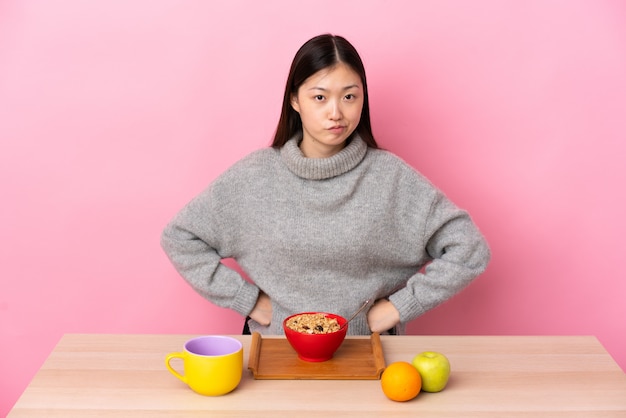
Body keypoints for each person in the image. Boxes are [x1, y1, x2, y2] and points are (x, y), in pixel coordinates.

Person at [160, 34, 490, 336]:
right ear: (295, 100)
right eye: (319, 97)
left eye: (349, 96)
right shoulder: (254, 177)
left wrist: (397, 309)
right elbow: (180, 236)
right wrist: (249, 301)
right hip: (272, 355)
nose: (336, 113)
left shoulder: (391, 178)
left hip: (368, 357)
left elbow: (469, 249)